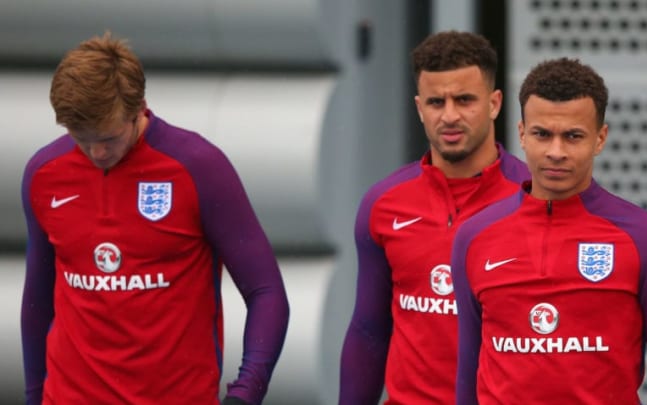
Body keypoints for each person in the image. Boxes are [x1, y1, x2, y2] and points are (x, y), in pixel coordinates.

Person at [20, 32, 290, 405]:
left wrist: (245, 394)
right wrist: (34, 396)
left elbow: (266, 292)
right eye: (82, 139)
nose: (97, 151)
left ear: (141, 107)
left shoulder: (198, 167)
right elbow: (37, 300)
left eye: (110, 138)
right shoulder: (44, 173)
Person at [452, 57, 647, 404]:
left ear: (600, 138)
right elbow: (467, 377)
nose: (556, 151)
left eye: (573, 136)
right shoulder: (474, 236)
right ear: (521, 133)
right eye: (542, 134)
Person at [338, 31, 529, 404]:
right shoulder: (384, 203)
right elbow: (369, 330)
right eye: (436, 102)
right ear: (419, 107)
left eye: (464, 100)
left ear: (494, 103)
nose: (450, 115)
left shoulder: (534, 197)